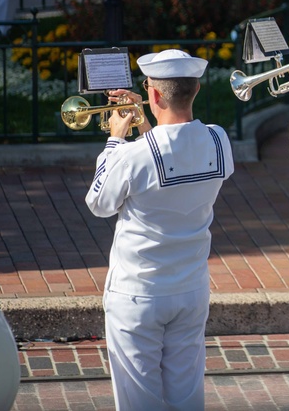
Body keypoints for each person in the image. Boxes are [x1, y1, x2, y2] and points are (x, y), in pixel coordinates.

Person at [86, 49, 235, 410]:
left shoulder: (131, 154)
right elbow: (172, 153)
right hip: (190, 289)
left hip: (138, 293)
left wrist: (116, 139)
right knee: (186, 398)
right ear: (196, 89)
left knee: (139, 402)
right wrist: (142, 122)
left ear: (153, 95)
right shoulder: (219, 140)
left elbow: (99, 203)